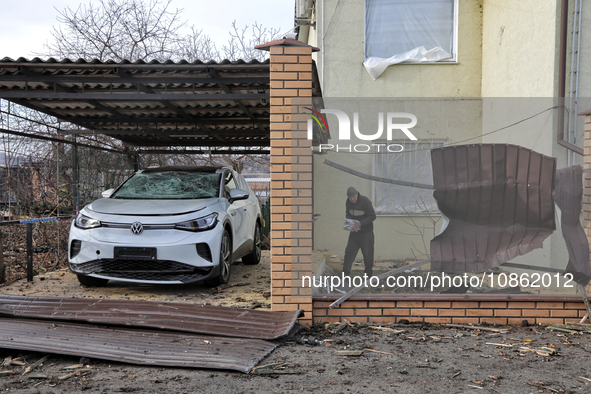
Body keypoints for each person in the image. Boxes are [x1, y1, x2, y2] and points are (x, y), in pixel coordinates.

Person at [343, 186, 376, 278]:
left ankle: (368, 274)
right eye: (350, 197)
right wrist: (348, 221)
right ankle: (345, 273)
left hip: (366, 233)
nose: (352, 199)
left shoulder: (365, 201)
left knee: (367, 253)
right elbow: (348, 213)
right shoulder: (348, 202)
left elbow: (372, 216)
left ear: (357, 194)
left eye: (354, 196)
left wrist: (360, 223)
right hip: (354, 233)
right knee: (349, 252)